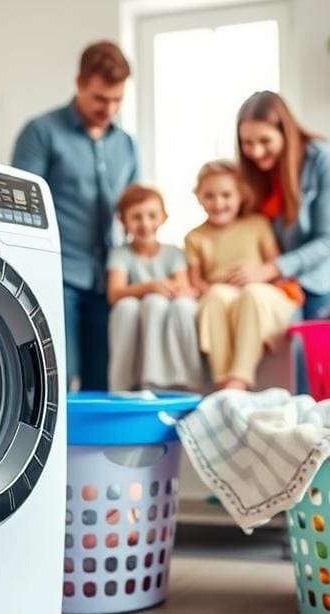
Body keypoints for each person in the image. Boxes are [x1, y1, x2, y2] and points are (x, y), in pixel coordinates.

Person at [12, 41, 139, 390]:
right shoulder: (40, 132)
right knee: (56, 378)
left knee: (104, 381)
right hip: (57, 275)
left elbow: (134, 210)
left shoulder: (126, 145)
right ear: (80, 83)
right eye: (100, 98)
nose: (109, 108)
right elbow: (19, 208)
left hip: (107, 282)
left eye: (117, 100)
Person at [186, 161, 302, 390]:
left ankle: (239, 380)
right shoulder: (194, 237)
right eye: (210, 196)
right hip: (224, 296)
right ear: (199, 198)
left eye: (226, 195)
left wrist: (259, 275)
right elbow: (196, 280)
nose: (218, 203)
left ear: (240, 195)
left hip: (262, 292)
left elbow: (274, 265)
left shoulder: (257, 225)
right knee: (216, 295)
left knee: (252, 293)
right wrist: (203, 288)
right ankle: (222, 380)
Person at [234, 91, 330, 320]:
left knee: (315, 351)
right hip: (268, 284)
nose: (256, 152)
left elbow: (328, 240)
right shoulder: (248, 173)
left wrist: (273, 268)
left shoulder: (322, 158)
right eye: (247, 143)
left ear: (286, 132)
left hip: (314, 283)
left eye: (265, 141)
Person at [106, 184, 202, 391]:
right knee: (128, 306)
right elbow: (115, 293)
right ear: (122, 220)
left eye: (152, 215)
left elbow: (182, 287)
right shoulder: (120, 254)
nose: (145, 224)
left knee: (157, 302)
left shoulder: (173, 253)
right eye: (136, 217)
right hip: (136, 311)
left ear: (164, 217)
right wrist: (149, 287)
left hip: (160, 309)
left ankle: (161, 380)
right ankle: (123, 386)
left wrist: (161, 290)